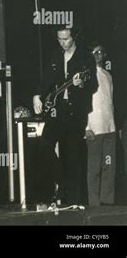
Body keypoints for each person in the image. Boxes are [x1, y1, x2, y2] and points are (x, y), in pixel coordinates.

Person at [32, 26, 98, 205]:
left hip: (76, 113)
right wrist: (37, 95)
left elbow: (93, 85)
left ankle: (75, 202)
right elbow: (45, 78)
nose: (63, 43)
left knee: (73, 156)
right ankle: (64, 182)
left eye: (66, 39)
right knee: (44, 145)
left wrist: (81, 83)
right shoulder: (55, 55)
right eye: (60, 39)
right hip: (57, 111)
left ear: (74, 37)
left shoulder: (86, 57)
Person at [85, 44, 116, 205]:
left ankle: (107, 202)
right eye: (95, 52)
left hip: (109, 128)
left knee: (109, 166)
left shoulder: (108, 75)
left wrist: (113, 126)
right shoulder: (85, 76)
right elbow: (82, 104)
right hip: (94, 129)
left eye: (101, 52)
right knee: (94, 168)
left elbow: (109, 102)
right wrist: (86, 128)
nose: (98, 55)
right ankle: (94, 203)